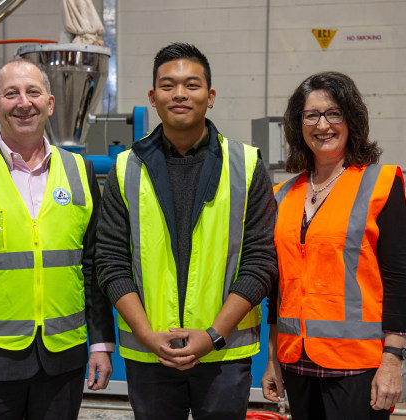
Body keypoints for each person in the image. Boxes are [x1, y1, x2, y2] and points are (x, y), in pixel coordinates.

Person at [95, 42, 278, 420]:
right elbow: (110, 260)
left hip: (223, 352)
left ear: (210, 97)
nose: (179, 94)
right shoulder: (126, 169)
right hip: (150, 353)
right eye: (168, 85)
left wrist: (212, 335)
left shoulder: (246, 165)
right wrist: (146, 335)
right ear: (152, 96)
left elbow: (261, 259)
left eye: (191, 85)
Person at [0, 58, 115, 419]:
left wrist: (102, 343)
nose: (23, 102)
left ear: (50, 103)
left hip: (63, 360)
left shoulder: (80, 171)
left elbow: (93, 266)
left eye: (33, 92)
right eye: (11, 94)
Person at [260, 71, 406, 420]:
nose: (322, 125)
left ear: (351, 120)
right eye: (311, 115)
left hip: (359, 366)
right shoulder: (282, 195)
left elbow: (398, 281)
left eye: (334, 113)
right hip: (296, 362)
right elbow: (278, 288)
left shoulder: (380, 183)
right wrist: (272, 360)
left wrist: (392, 360)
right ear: (298, 125)